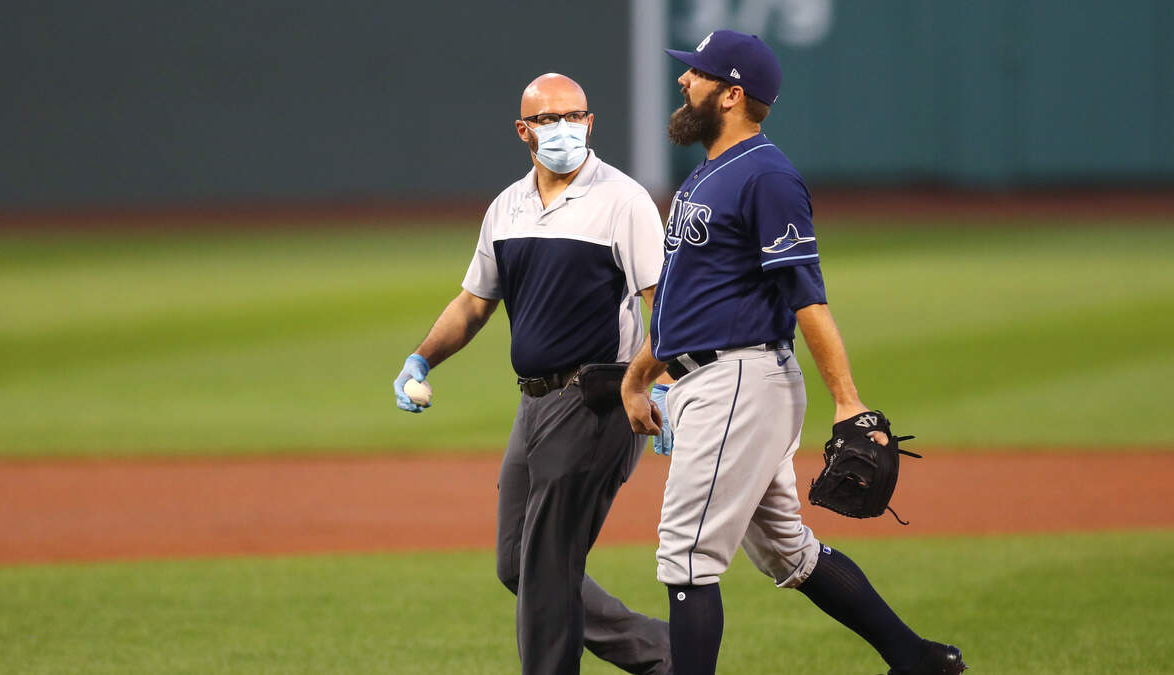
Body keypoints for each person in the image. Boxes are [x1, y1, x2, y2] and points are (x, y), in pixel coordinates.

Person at [619, 31, 968, 675]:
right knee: (788, 551)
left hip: (737, 382)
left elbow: (807, 297)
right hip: (712, 381)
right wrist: (639, 378)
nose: (683, 80)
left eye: (697, 73)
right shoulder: (708, 174)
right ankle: (913, 658)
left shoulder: (767, 176)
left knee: (687, 558)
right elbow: (680, 304)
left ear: (732, 94)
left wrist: (848, 402)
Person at [393, 73, 671, 675]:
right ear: (524, 131)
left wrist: (659, 385)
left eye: (575, 116)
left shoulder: (623, 201)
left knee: (547, 568)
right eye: (549, 119)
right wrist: (421, 358)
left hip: (597, 397)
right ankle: (669, 655)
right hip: (535, 404)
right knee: (519, 564)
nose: (564, 128)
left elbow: (665, 306)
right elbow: (474, 303)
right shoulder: (507, 206)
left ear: (590, 123)